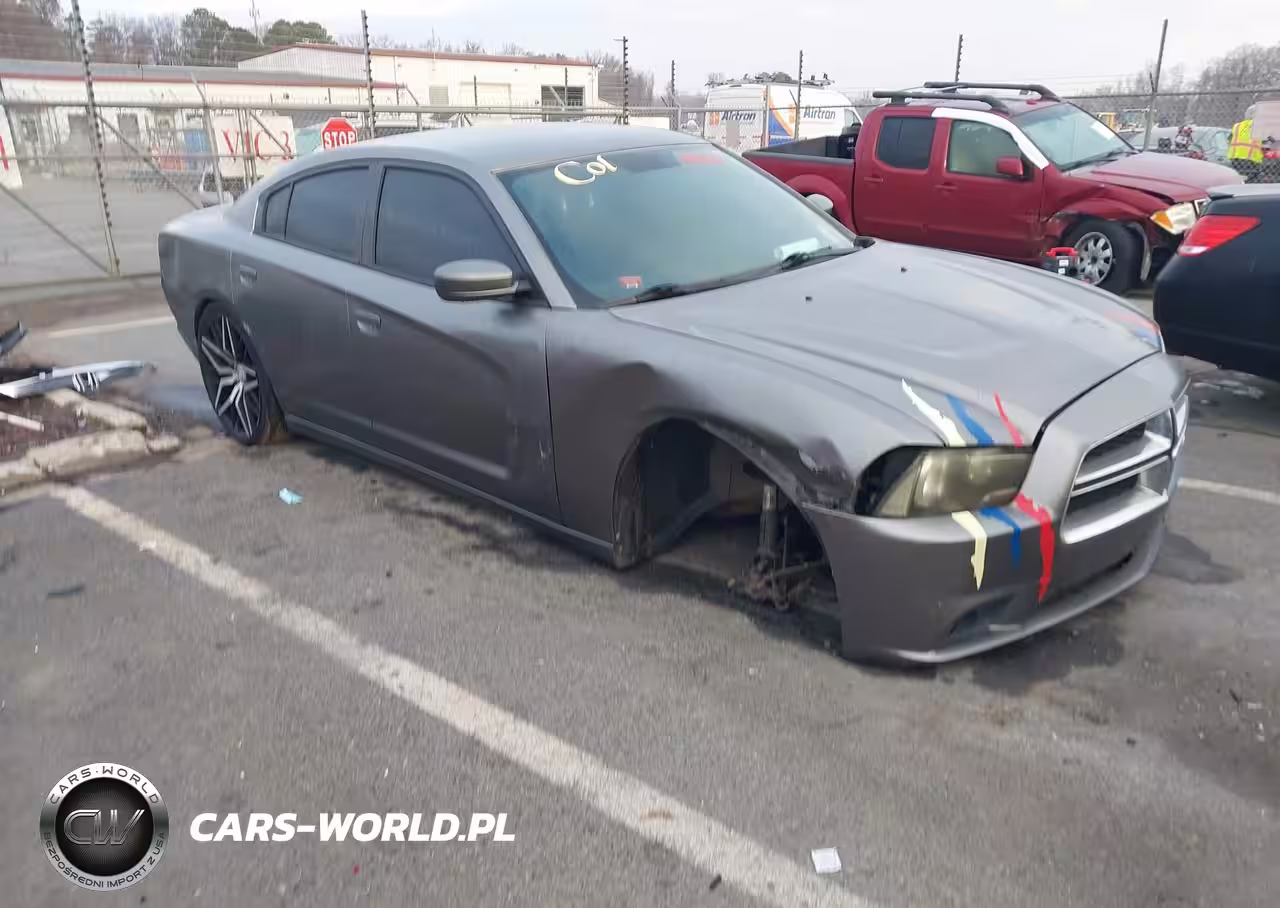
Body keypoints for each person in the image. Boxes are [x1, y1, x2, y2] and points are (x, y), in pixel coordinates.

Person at [1228, 105, 1264, 182]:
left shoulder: (1237, 126)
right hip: (1252, 160)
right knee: (1252, 181)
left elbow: (1229, 140)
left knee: (1237, 179)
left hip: (1236, 159)